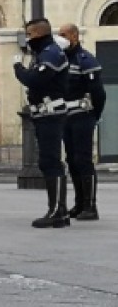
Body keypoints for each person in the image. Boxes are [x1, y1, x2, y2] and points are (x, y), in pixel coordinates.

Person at [13, 18, 70, 228]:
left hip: (51, 113)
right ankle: (60, 211)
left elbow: (34, 80)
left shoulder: (51, 53)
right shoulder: (44, 53)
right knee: (48, 161)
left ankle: (56, 211)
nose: (27, 39)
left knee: (51, 161)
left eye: (29, 35)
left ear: (37, 34)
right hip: (44, 113)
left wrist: (18, 67)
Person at [58, 23, 106, 221]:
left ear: (74, 37)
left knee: (83, 159)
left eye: (63, 35)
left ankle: (90, 205)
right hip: (66, 116)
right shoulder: (61, 60)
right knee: (71, 160)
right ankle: (79, 204)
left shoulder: (85, 59)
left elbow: (98, 92)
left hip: (83, 115)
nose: (60, 38)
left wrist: (95, 115)